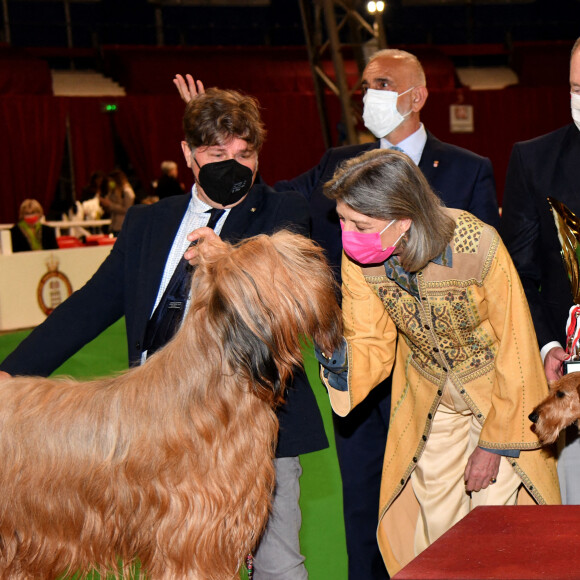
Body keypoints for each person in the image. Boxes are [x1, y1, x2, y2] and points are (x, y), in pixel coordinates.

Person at [174, 53, 500, 579]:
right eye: (365, 83)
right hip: (360, 369)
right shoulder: (336, 163)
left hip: (443, 379)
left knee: (447, 506)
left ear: (416, 96)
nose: (368, 92)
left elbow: (489, 275)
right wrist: (212, 147)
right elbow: (261, 201)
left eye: (383, 84)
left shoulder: (468, 168)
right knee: (362, 509)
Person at [0, 88, 327, 580]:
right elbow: (89, 308)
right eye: (218, 155)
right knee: (166, 559)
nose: (233, 166)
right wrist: (7, 372)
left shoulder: (282, 213)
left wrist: (227, 259)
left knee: (279, 563)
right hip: (150, 425)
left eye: (245, 154)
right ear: (188, 155)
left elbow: (278, 294)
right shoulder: (148, 222)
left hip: (242, 427)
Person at [318, 148, 560, 577]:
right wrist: (338, 357)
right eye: (342, 220)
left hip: (499, 396)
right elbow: (370, 337)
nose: (348, 234)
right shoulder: (362, 255)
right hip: (430, 396)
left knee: (494, 526)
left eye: (359, 225)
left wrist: (494, 443)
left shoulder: (476, 244)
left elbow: (515, 345)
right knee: (435, 524)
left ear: (403, 219)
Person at [501, 37, 580, 504]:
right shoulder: (534, 161)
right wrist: (549, 343)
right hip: (570, 380)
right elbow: (519, 275)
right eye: (575, 86)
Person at [100, 169, 135, 236]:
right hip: (114, 225)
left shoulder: (127, 191)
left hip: (122, 225)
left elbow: (127, 209)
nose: (110, 183)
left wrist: (110, 204)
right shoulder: (113, 191)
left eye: (111, 181)